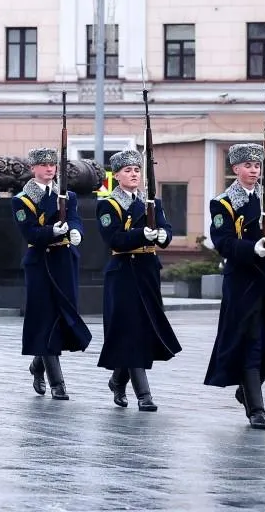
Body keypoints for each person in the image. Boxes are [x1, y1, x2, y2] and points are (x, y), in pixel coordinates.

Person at [204, 143, 265, 430]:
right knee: (251, 342)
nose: (254, 170)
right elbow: (223, 242)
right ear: (235, 169)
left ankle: (247, 389)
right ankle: (256, 409)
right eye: (248, 166)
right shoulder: (223, 203)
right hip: (243, 280)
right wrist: (251, 248)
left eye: (257, 165)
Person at [95, 149, 182, 411]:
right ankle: (144, 395)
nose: (133, 174)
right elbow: (114, 239)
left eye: (137, 170)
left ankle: (117, 380)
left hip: (147, 270)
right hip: (123, 271)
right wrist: (141, 234)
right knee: (130, 330)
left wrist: (163, 237)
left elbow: (165, 227)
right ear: (116, 175)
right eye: (128, 170)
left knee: (141, 330)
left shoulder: (152, 202)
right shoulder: (108, 204)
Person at [11, 147, 92, 400]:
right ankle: (57, 382)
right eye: (44, 164)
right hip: (41, 262)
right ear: (32, 168)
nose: (49, 169)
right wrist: (51, 232)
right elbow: (30, 232)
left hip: (64, 260)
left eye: (52, 164)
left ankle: (38, 365)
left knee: (62, 316)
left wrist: (76, 231)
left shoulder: (67, 195)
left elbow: (75, 218)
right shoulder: (22, 200)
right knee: (45, 317)